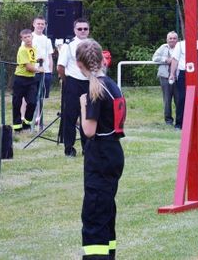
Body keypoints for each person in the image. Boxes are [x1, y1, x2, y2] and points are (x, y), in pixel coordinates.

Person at [77, 39, 125, 260]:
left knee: (94, 212)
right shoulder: (111, 83)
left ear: (79, 64)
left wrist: (82, 104)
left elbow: (88, 130)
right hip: (114, 150)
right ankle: (109, 254)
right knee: (106, 209)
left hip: (101, 154)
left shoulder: (94, 88)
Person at [57, 18, 91, 156]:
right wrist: (67, 81)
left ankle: (87, 148)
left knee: (88, 116)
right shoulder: (68, 46)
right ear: (74, 30)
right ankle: (69, 148)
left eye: (85, 29)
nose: (83, 31)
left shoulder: (92, 45)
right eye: (80, 29)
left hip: (89, 83)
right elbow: (60, 67)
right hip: (72, 83)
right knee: (70, 116)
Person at [168, 40, 198, 130]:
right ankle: (179, 123)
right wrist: (172, 74)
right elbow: (175, 60)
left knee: (195, 99)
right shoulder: (180, 45)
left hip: (196, 73)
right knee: (181, 98)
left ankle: (194, 123)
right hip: (184, 73)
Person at [12, 29, 44, 131]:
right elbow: (28, 67)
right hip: (20, 79)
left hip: (31, 80)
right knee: (17, 103)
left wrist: (39, 61)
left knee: (32, 102)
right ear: (22, 39)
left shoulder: (33, 49)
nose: (27, 39)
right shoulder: (22, 50)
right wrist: (39, 70)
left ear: (32, 37)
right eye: (25, 37)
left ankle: (26, 124)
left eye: (29, 36)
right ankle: (17, 127)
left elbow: (32, 61)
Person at [152, 31, 179, 126]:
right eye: (170, 38)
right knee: (167, 100)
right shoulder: (163, 47)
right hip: (164, 76)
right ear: (167, 40)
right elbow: (154, 58)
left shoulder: (181, 47)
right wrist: (166, 60)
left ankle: (179, 120)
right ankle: (168, 121)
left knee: (179, 99)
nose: (172, 40)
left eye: (174, 38)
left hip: (178, 77)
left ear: (177, 39)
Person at [31, 16, 54, 98]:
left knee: (41, 98)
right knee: (30, 98)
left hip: (45, 73)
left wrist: (50, 72)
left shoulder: (47, 40)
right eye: (38, 24)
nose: (40, 26)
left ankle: (38, 111)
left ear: (45, 25)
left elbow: (50, 57)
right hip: (32, 72)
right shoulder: (28, 38)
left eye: (42, 24)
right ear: (34, 24)